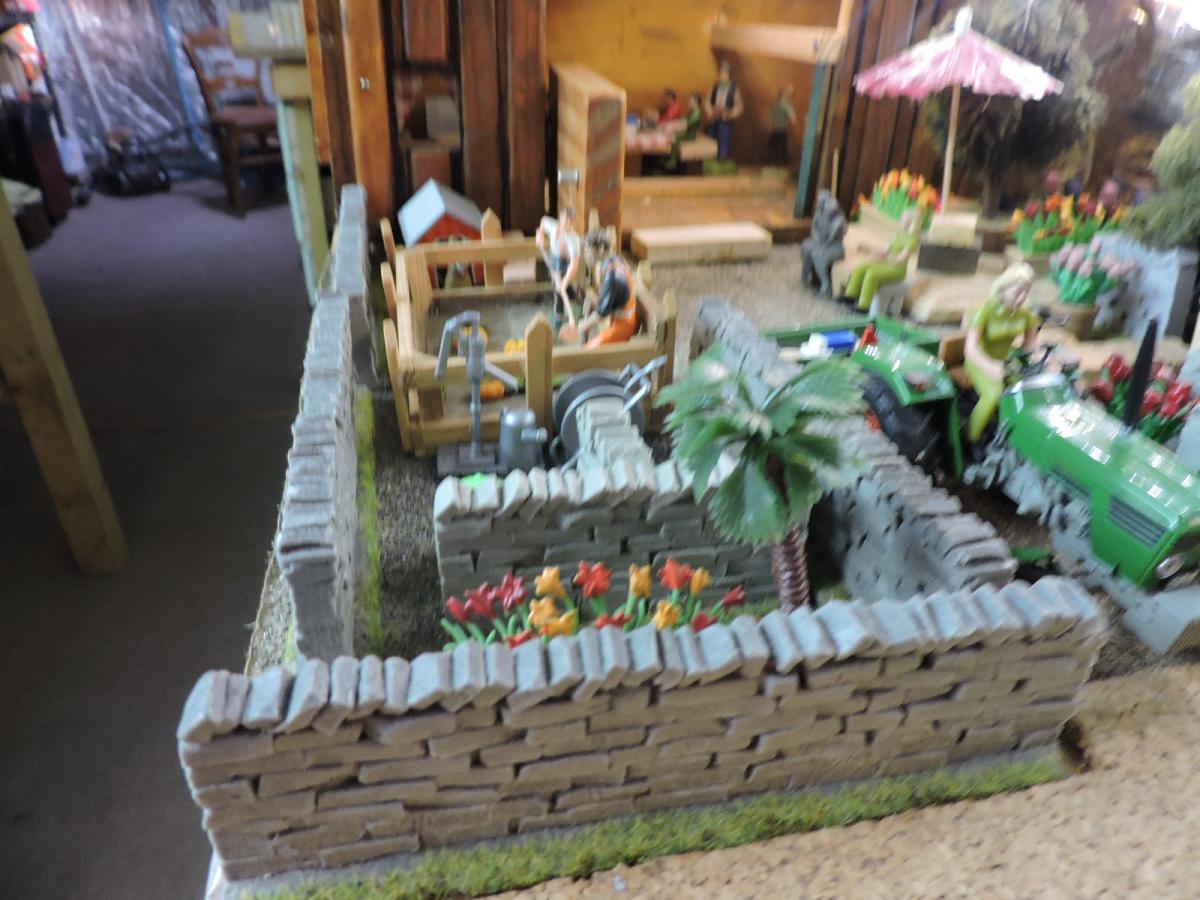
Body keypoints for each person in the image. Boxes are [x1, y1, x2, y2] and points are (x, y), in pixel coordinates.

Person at [964, 264, 1040, 442]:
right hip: (979, 360)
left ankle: (1011, 435)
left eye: (1026, 292)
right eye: (1018, 292)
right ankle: (970, 437)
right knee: (994, 393)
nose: (1022, 298)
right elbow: (970, 349)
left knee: (1026, 390)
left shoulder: (1026, 314)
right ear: (1003, 288)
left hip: (1006, 361)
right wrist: (988, 366)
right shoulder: (985, 311)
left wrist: (1043, 357)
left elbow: (1031, 345)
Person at [839, 208, 920, 312]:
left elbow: (902, 258)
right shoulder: (899, 235)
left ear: (911, 223)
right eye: (902, 218)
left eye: (905, 219)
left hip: (897, 270)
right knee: (861, 268)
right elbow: (885, 250)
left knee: (872, 274)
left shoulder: (912, 239)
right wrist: (868, 249)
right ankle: (850, 296)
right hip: (886, 264)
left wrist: (887, 258)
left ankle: (864, 306)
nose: (902, 221)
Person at [535, 206, 582, 338]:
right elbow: (543, 220)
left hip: (565, 264)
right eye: (564, 220)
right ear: (561, 218)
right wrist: (540, 235)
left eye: (570, 221)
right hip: (554, 258)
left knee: (559, 288)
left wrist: (564, 282)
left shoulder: (573, 239)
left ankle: (559, 314)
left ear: (573, 222)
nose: (566, 224)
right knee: (560, 287)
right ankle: (576, 296)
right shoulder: (553, 226)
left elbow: (574, 266)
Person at [581, 255, 640, 348]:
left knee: (588, 349)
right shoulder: (618, 262)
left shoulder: (613, 278)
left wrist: (582, 327)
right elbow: (614, 299)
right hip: (628, 318)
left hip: (624, 326)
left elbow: (601, 314)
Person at [801, 190, 846, 296]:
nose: (819, 204)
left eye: (821, 202)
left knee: (818, 255)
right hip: (821, 242)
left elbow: (834, 236)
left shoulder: (838, 219)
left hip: (834, 246)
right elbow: (814, 229)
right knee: (806, 247)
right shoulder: (819, 214)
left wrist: (834, 230)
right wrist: (817, 237)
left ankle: (825, 283)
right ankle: (806, 275)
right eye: (818, 201)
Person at [703, 61, 742, 161]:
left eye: (725, 74)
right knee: (710, 136)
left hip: (725, 118)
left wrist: (729, 114)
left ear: (729, 76)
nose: (722, 76)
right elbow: (707, 101)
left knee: (724, 137)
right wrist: (710, 112)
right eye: (721, 74)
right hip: (713, 117)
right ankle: (709, 157)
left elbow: (738, 106)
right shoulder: (714, 88)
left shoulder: (733, 90)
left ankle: (722, 158)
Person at [664, 93, 703, 173]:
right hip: (686, 132)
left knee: (675, 138)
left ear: (695, 102)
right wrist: (676, 124)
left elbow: (687, 123)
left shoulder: (696, 113)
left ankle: (673, 161)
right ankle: (668, 157)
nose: (689, 102)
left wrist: (676, 126)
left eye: (691, 101)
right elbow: (684, 120)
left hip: (690, 135)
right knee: (672, 134)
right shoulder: (692, 112)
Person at [767, 86, 797, 167]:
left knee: (775, 148)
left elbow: (770, 118)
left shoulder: (774, 106)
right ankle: (781, 164)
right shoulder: (788, 106)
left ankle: (776, 163)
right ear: (785, 96)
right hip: (782, 130)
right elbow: (793, 119)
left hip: (775, 130)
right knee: (782, 148)